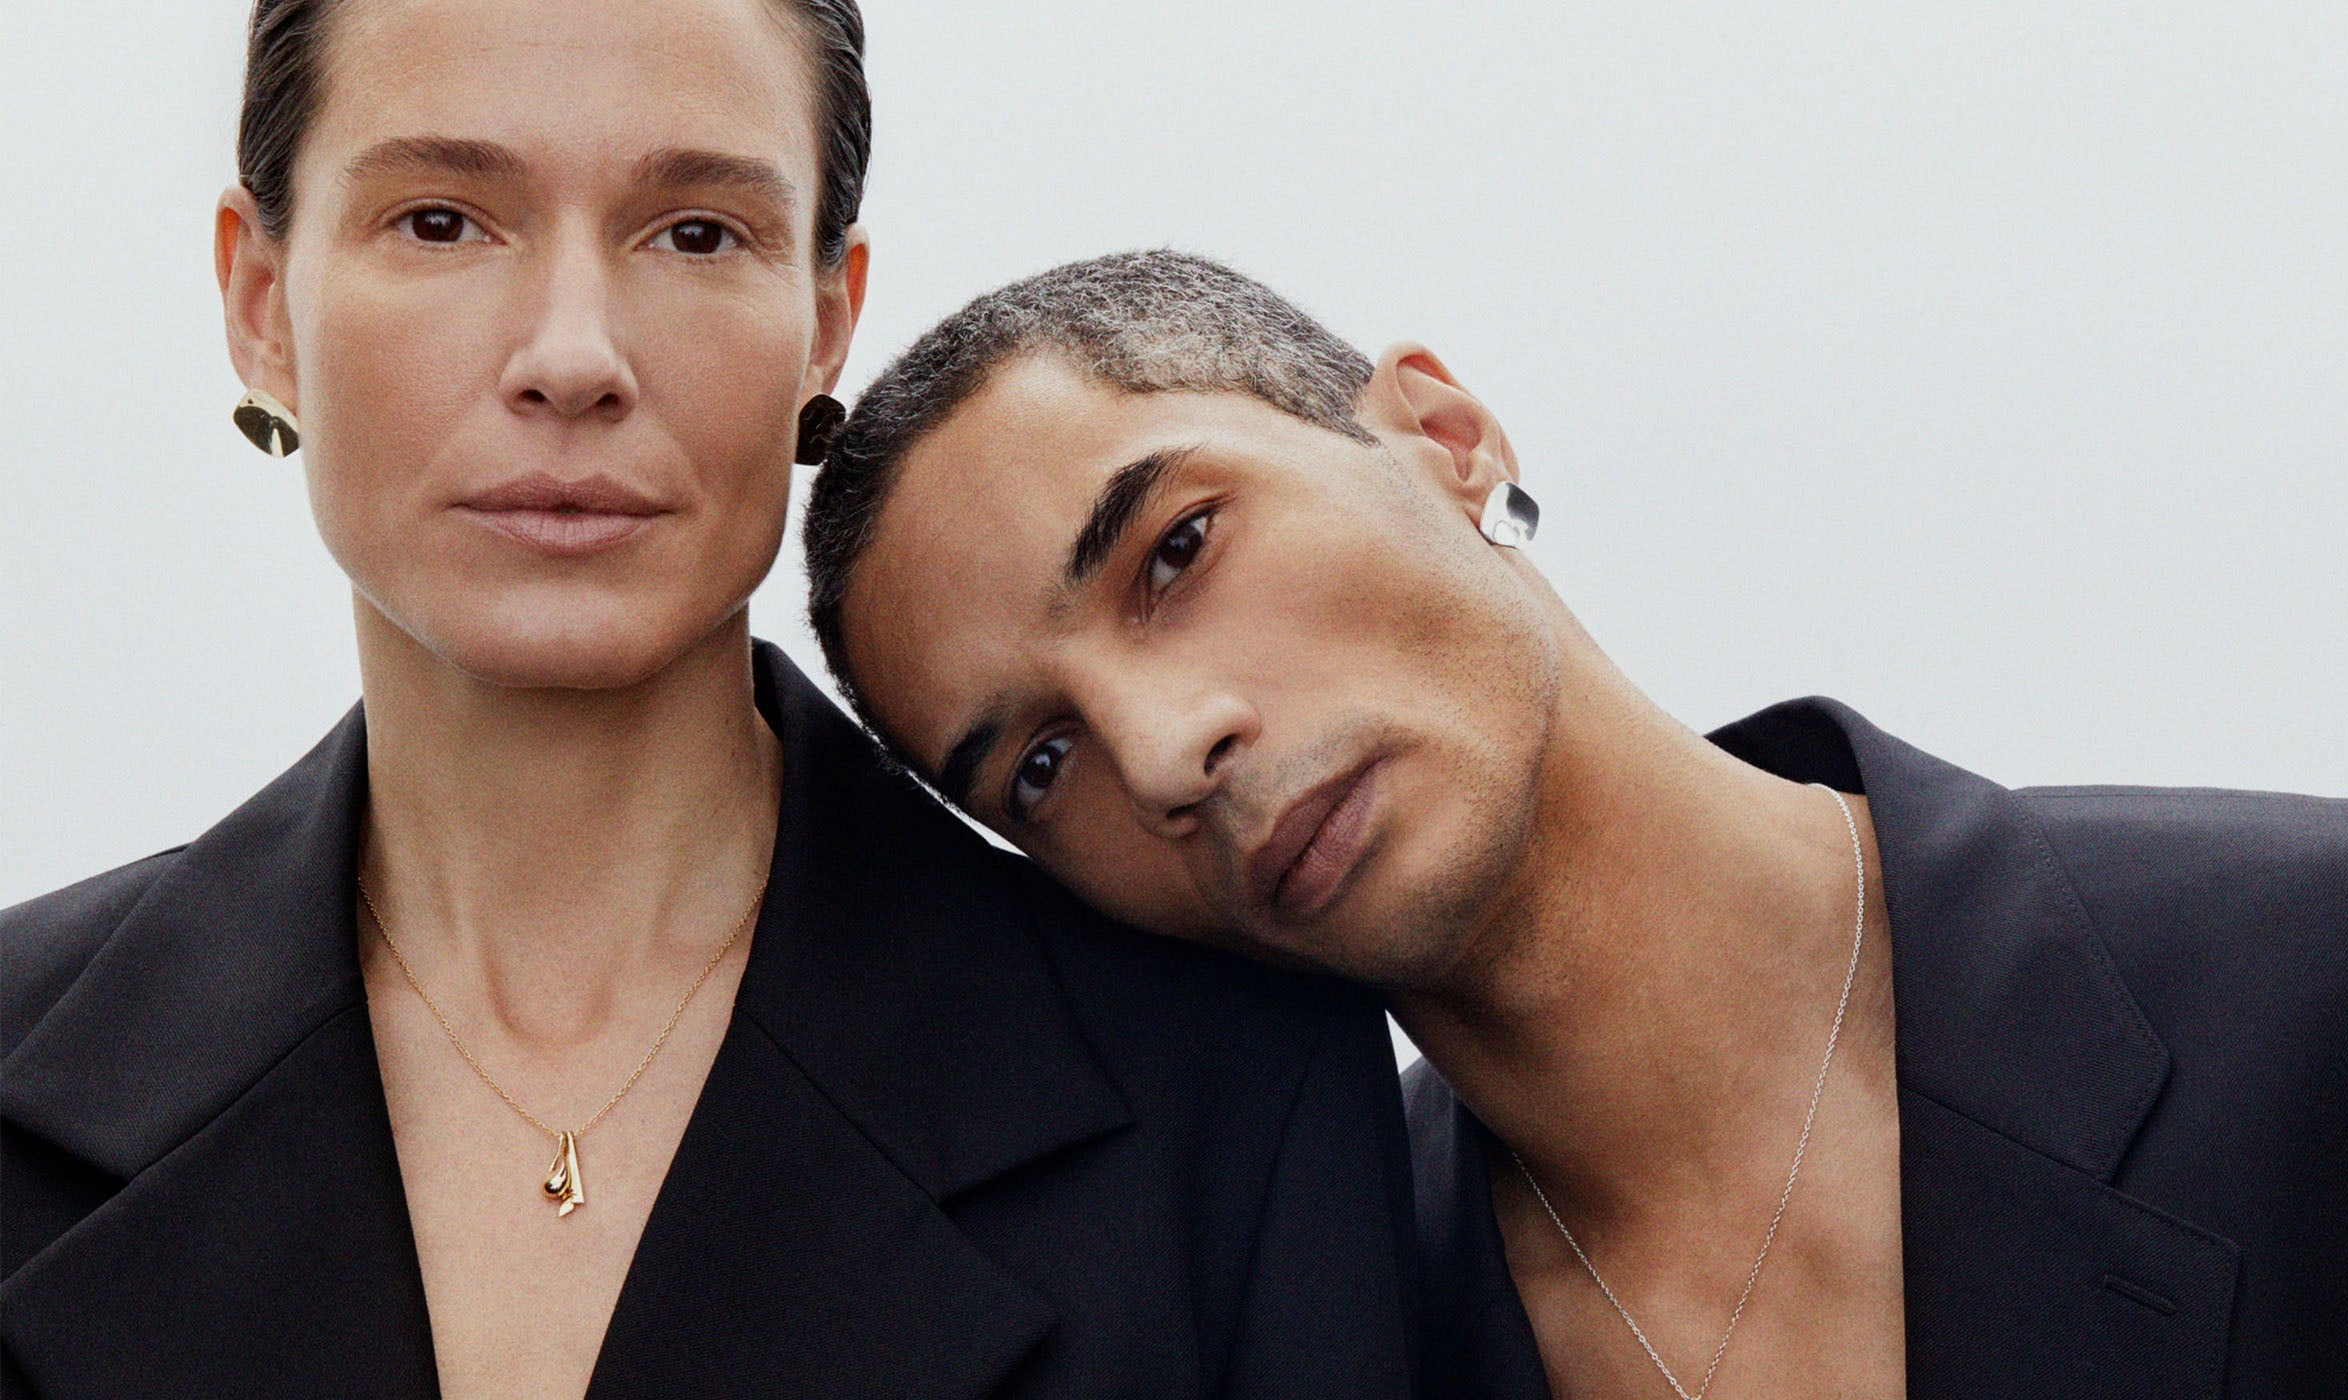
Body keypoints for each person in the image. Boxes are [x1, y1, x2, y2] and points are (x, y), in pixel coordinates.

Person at [799, 248, 2348, 1399]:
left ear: (1436, 430)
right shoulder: (1307, 1346)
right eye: (1036, 769)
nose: (1167, 746)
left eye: (1174, 549)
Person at [0, 10, 1416, 1399]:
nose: (573, 360)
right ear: (260, 303)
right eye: (441, 222)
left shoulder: (1234, 1090)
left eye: (695, 234)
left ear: (824, 324)